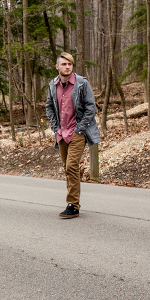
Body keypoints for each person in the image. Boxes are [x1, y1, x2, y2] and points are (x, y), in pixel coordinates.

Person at [45, 52, 100, 218]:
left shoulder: (82, 83)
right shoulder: (52, 85)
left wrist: (79, 129)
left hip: (77, 131)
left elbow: (91, 108)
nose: (67, 67)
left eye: (69, 64)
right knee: (67, 169)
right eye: (63, 64)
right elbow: (49, 107)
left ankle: (73, 205)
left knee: (71, 166)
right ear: (57, 67)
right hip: (61, 133)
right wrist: (56, 128)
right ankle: (72, 203)